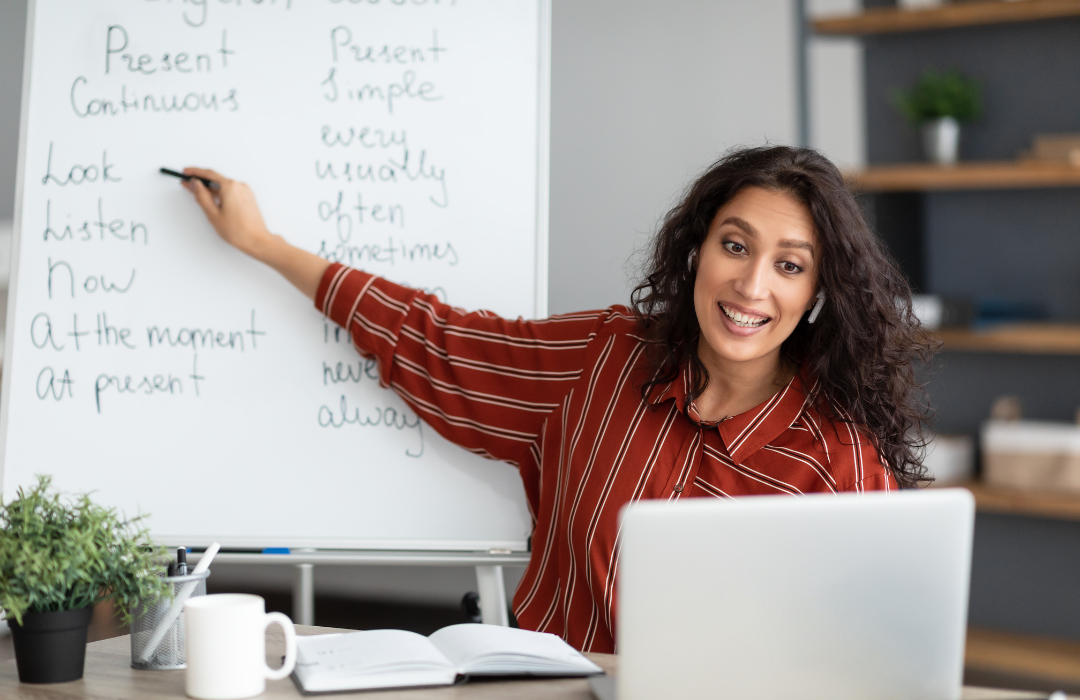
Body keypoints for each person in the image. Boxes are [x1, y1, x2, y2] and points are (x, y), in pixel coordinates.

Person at [180, 146, 932, 653]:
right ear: (698, 249)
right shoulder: (603, 358)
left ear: (818, 294)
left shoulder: (841, 465)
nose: (752, 285)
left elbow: (866, 664)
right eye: (735, 246)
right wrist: (264, 245)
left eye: (790, 265)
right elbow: (434, 341)